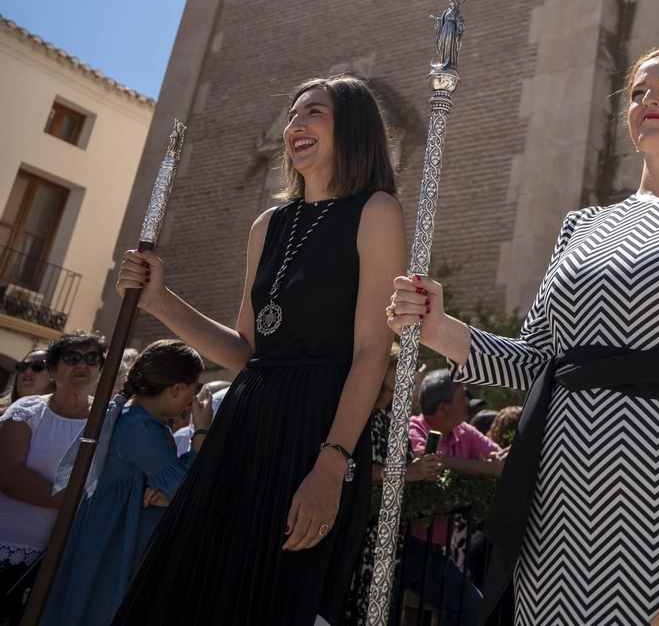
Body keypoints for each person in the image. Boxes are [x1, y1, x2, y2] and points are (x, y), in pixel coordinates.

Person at [388, 46, 659, 625]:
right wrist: (439, 328)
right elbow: (535, 366)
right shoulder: (585, 224)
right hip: (559, 494)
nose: (648, 99)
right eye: (637, 92)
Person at [110, 74, 407, 626]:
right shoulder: (266, 225)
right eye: (293, 115)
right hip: (246, 422)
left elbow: (372, 348)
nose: (296, 125)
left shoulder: (376, 211)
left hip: (318, 425)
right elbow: (245, 350)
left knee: (273, 596)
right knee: (196, 591)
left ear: (354, 128)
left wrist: (332, 461)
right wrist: (160, 301)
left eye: (313, 112)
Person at [38, 339, 210, 626]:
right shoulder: (139, 426)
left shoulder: (137, 419)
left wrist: (168, 492)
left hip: (114, 542)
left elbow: (174, 489)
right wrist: (201, 432)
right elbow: (184, 490)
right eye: (193, 391)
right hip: (115, 548)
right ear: (177, 388)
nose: (191, 403)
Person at [0, 330, 100, 615]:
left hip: (65, 560)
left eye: (92, 358)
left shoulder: (109, 419)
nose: (83, 365)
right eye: (72, 358)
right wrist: (71, 499)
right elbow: (8, 475)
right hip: (9, 551)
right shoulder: (28, 409)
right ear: (54, 370)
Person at [341, 343, 441, 626]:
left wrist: (423, 470)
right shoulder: (358, 414)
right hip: (358, 532)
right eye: (400, 368)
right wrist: (405, 473)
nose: (407, 378)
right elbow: (352, 467)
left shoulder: (395, 421)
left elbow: (406, 471)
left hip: (389, 538)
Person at [396, 371, 505, 626]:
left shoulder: (464, 431)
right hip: (405, 545)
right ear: (443, 408)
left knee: (470, 608)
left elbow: (498, 458)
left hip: (439, 551)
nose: (468, 401)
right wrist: (487, 469)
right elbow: (430, 463)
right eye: (462, 397)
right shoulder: (413, 427)